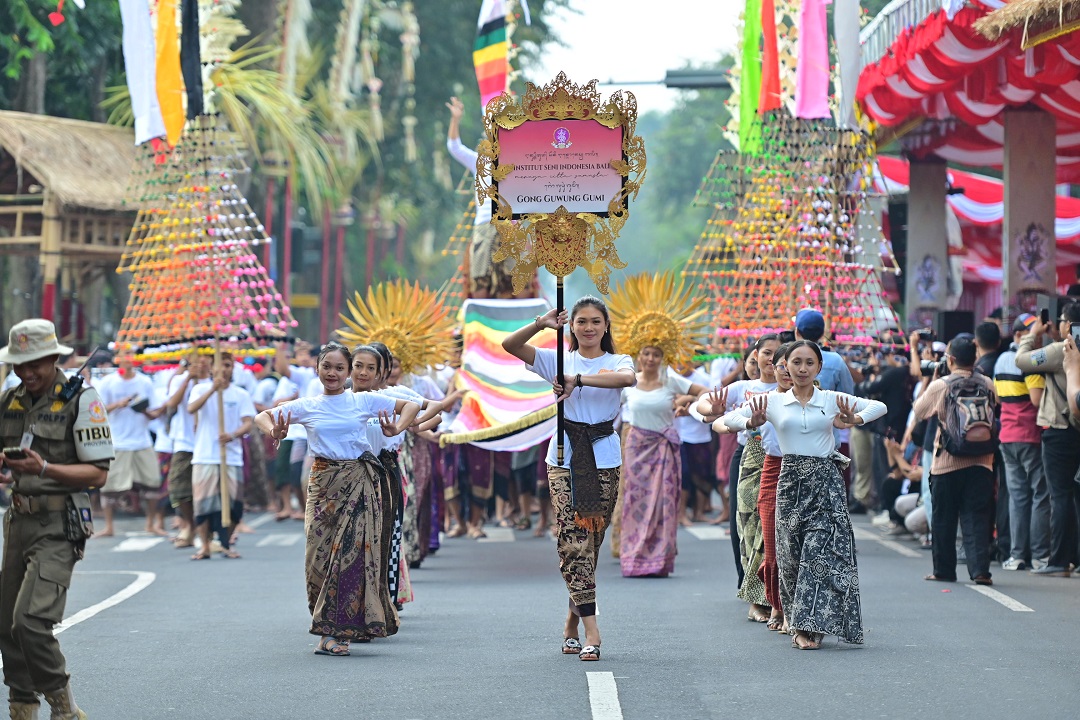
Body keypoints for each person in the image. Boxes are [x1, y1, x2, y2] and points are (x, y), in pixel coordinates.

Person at [256, 343, 420, 656]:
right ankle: (328, 623)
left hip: (358, 483)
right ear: (317, 369)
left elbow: (411, 407)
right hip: (322, 486)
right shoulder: (307, 405)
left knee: (351, 558)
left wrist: (396, 427)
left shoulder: (363, 400)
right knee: (317, 559)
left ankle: (333, 633)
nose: (332, 373)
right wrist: (274, 433)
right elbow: (264, 416)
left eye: (339, 368)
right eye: (326, 366)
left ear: (347, 373)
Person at [726, 340, 885, 649]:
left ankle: (807, 628)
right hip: (789, 483)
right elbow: (729, 420)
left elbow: (878, 406)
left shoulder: (830, 399)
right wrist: (751, 422)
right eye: (795, 362)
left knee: (821, 555)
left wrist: (856, 419)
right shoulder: (773, 401)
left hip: (826, 484)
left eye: (809, 363)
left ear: (818, 368)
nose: (801, 368)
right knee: (790, 558)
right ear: (783, 367)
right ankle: (797, 619)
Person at [502, 297, 636, 662]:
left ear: (606, 325)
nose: (588, 327)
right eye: (581, 322)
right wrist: (540, 324)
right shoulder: (556, 358)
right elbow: (510, 346)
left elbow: (628, 379)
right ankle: (593, 630)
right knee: (572, 541)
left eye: (595, 321)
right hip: (562, 457)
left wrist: (576, 380)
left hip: (604, 456)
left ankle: (571, 622)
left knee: (589, 545)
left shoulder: (617, 361)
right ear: (572, 326)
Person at [0, 319, 114, 719]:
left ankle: (64, 708)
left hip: (60, 523)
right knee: (6, 626)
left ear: (53, 357)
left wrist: (44, 467)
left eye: (35, 364)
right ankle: (21, 707)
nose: (27, 373)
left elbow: (99, 474)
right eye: (19, 365)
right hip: (17, 521)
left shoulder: (82, 400)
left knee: (29, 620)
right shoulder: (10, 400)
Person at [694, 335, 780, 587]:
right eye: (766, 353)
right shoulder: (743, 388)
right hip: (746, 458)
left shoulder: (790, 391)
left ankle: (775, 586)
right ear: (756, 356)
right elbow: (704, 403)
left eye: (778, 355)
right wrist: (713, 410)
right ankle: (747, 582)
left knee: (773, 524)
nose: (771, 359)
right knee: (741, 522)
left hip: (782, 460)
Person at [914, 336, 999, 585]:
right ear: (975, 359)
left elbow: (919, 411)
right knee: (978, 516)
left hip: (947, 461)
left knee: (944, 518)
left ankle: (944, 570)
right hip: (983, 460)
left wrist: (931, 378)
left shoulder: (942, 385)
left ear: (950, 360)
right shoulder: (987, 383)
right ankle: (980, 570)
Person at [619, 346, 708, 578]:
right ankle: (634, 557)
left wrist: (688, 405)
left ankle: (659, 559)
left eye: (656, 354)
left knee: (664, 502)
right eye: (646, 353)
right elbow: (605, 407)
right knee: (635, 501)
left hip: (664, 448)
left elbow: (705, 392)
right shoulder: (628, 382)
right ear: (638, 356)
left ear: (663, 357)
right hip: (636, 448)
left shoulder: (671, 380)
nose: (650, 358)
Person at [1016, 301, 1080, 576]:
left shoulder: (1060, 350)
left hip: (1059, 432)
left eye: (1062, 320)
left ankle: (1059, 560)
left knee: (1061, 495)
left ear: (1069, 325)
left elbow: (1023, 360)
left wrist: (1034, 334)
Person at [186, 352, 255, 560]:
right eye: (221, 365)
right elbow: (191, 409)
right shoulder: (200, 389)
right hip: (205, 455)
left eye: (228, 365)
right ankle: (205, 546)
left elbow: (248, 422)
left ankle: (226, 543)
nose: (225, 369)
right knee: (204, 504)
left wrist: (233, 434)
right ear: (212, 368)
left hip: (231, 456)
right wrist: (212, 390)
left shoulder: (240, 394)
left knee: (234, 504)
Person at [993, 314, 1049, 571]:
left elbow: (998, 396)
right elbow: (1037, 401)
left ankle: (1017, 555)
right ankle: (1039, 556)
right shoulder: (1030, 362)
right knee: (1040, 494)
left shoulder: (1001, 360)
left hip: (1007, 435)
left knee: (1017, 497)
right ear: (1020, 335)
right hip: (1029, 435)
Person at [94, 357, 166, 537]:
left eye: (131, 357)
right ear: (117, 359)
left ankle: (150, 523)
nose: (128, 361)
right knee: (110, 486)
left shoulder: (145, 381)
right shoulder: (108, 382)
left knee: (152, 482)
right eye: (124, 357)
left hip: (142, 440)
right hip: (118, 441)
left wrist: (144, 410)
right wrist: (118, 404)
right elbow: (97, 410)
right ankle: (109, 526)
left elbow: (154, 412)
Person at [163, 353, 211, 547]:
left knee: (205, 492)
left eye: (203, 360)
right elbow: (171, 404)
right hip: (184, 442)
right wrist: (188, 379)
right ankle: (190, 525)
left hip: (207, 444)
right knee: (178, 488)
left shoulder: (214, 383)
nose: (199, 364)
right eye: (196, 360)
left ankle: (206, 532)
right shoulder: (179, 380)